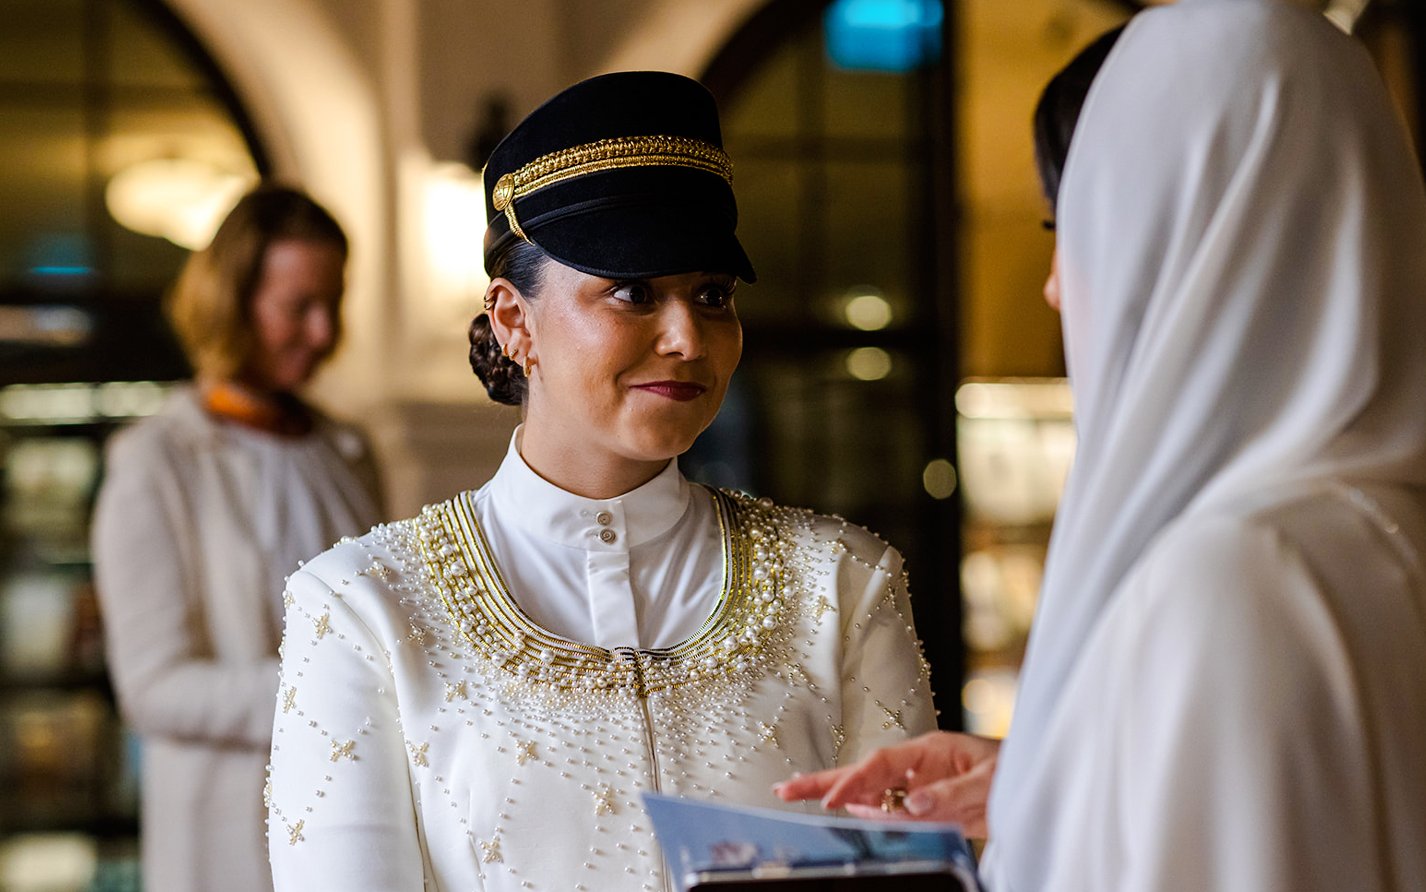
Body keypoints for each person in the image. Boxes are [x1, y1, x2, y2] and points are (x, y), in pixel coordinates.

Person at [776, 2, 1426, 890]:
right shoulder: (1382, 522)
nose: (1053, 286)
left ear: (1180, 234)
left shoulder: (1232, 577)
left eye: (1074, 224)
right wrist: (1063, 776)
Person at [264, 71, 936, 891]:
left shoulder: (841, 581)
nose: (687, 336)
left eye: (712, 294)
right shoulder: (364, 605)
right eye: (632, 293)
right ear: (515, 320)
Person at [91, 185, 384, 892]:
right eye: (299, 307)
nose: (323, 333)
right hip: (227, 843)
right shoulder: (158, 457)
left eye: (332, 304)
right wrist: (333, 693)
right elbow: (153, 688)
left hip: (361, 817)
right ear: (233, 302)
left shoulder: (348, 449)